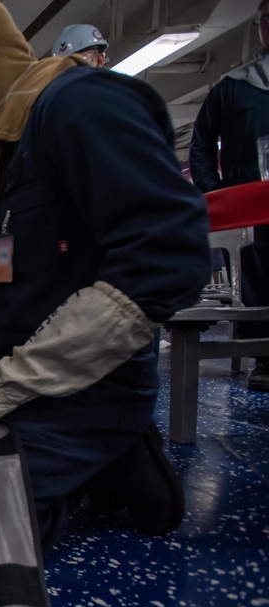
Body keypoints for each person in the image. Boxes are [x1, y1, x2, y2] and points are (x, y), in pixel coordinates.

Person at [0, 0, 211, 553]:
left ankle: (110, 445)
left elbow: (168, 253)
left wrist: (8, 384)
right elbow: (27, 278)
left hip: (85, 388)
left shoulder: (76, 104)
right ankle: (115, 463)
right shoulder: (10, 153)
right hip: (41, 375)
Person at [188, 0, 269, 391]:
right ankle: (264, 359)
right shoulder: (236, 87)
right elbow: (201, 143)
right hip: (251, 206)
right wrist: (215, 192)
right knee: (257, 279)